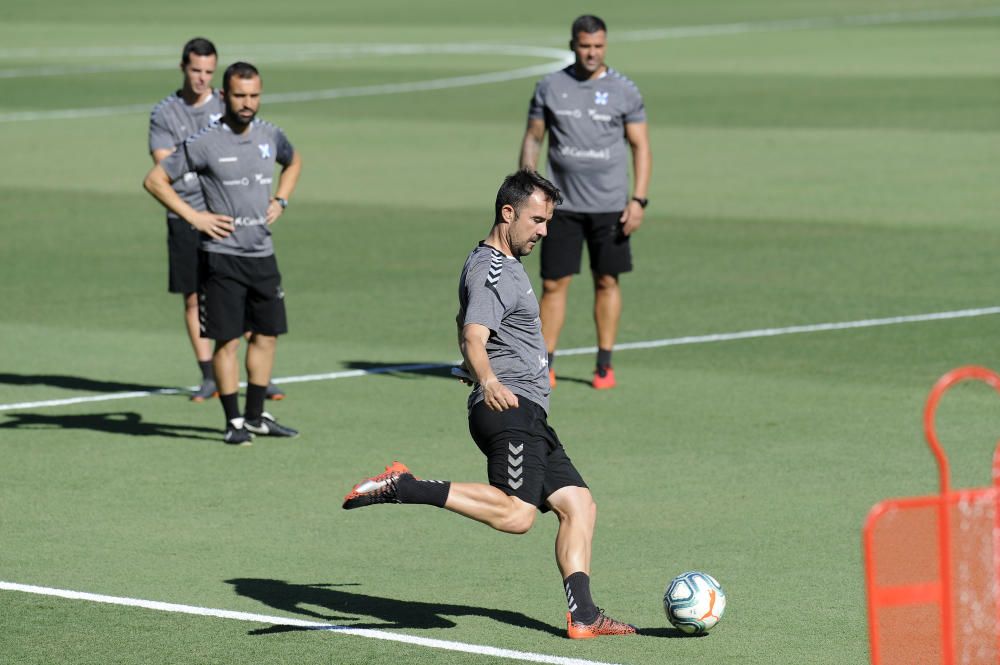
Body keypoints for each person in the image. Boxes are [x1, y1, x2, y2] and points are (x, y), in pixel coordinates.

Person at [342, 170, 636, 639]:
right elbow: (472, 334)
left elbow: (469, 325)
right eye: (537, 220)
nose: (544, 230)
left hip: (528, 414)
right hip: (508, 408)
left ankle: (583, 616)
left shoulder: (497, 265)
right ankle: (405, 485)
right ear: (508, 212)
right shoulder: (492, 271)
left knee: (579, 504)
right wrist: (488, 377)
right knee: (518, 515)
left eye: (547, 221)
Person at [143, 62, 302, 445]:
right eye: (239, 95)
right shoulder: (204, 142)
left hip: (262, 253)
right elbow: (155, 180)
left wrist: (281, 199)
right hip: (221, 256)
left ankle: (256, 416)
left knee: (266, 335)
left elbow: (293, 161)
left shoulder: (270, 134)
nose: (247, 103)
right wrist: (195, 217)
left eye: (253, 95)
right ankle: (233, 423)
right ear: (224, 96)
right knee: (227, 340)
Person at [519, 15, 652, 390]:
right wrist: (530, 193)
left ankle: (604, 364)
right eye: (584, 46)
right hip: (560, 206)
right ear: (572, 45)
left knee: (607, 280)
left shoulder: (625, 90)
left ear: (605, 46)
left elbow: (641, 147)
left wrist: (638, 199)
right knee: (553, 284)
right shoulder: (550, 86)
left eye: (598, 46)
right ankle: (544, 364)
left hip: (610, 205)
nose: (591, 53)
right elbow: (533, 139)